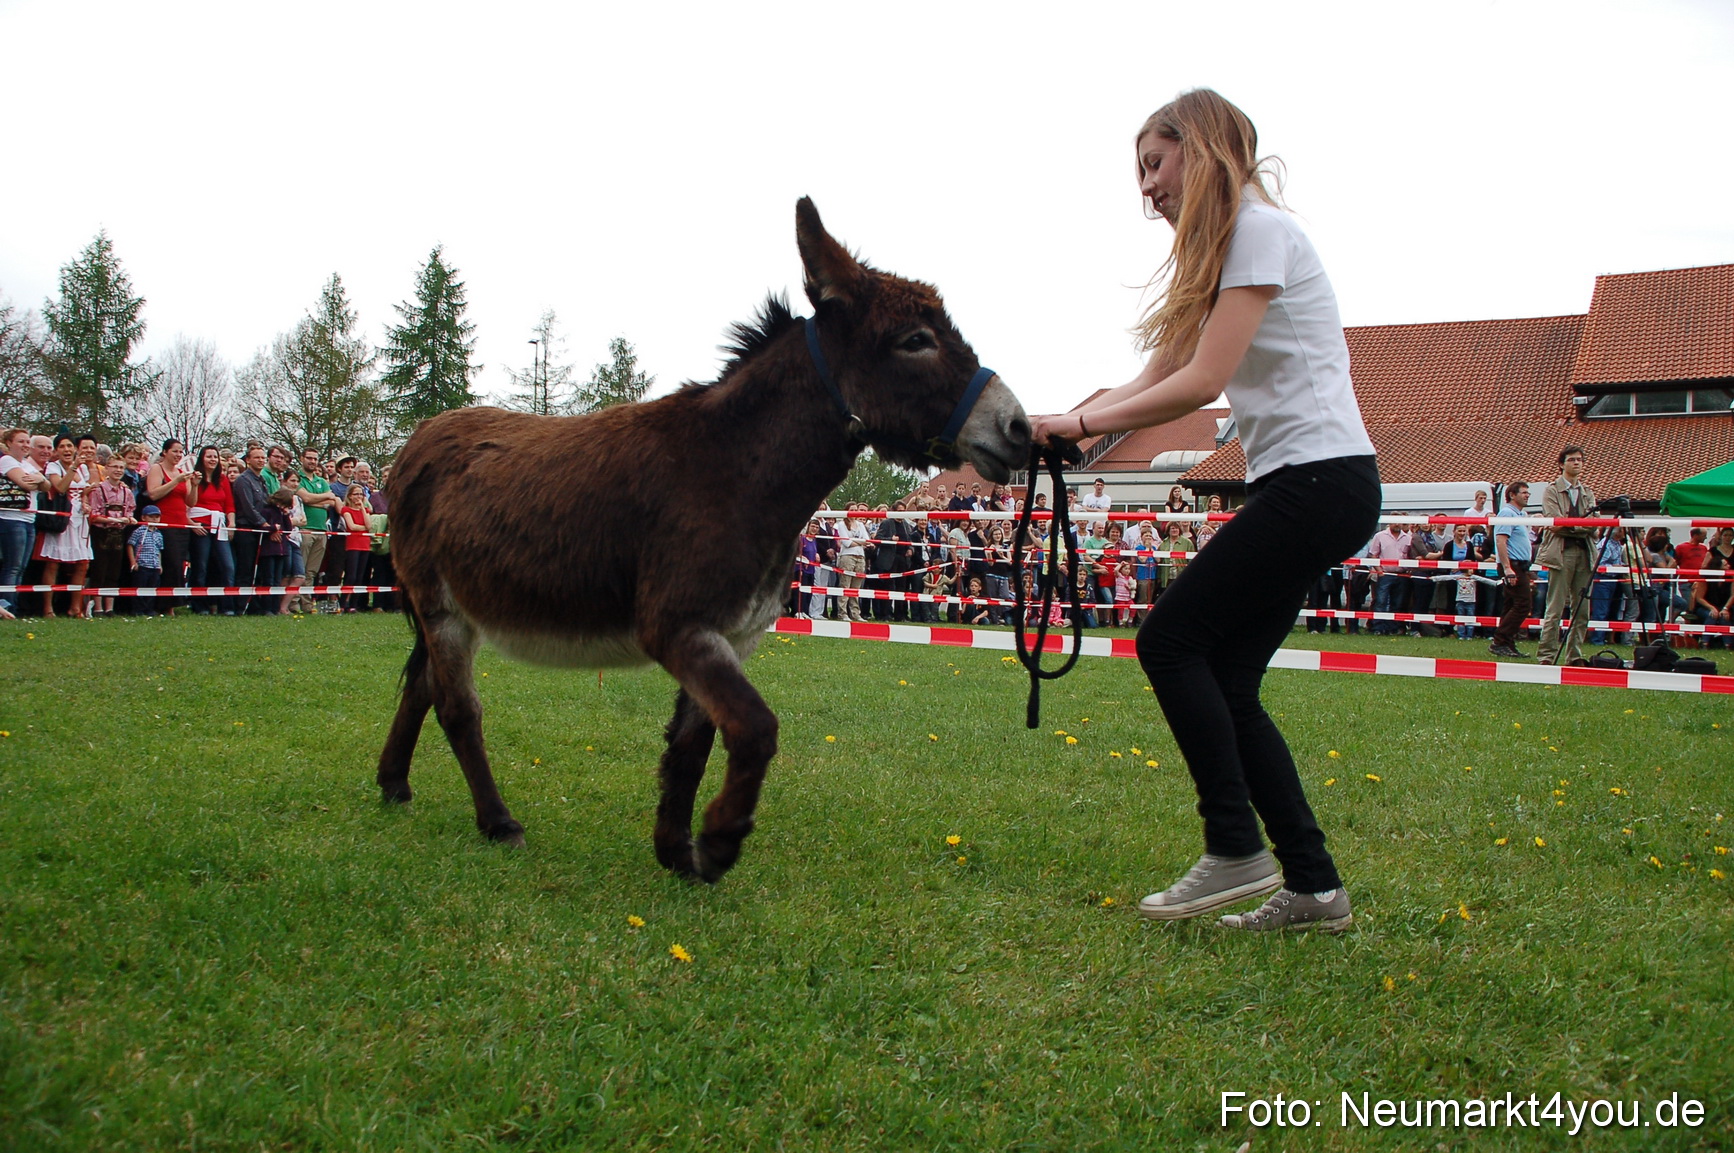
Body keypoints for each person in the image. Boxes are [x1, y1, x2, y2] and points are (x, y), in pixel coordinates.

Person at [1032, 90, 1378, 932]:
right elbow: (1152, 378)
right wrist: (1055, 425)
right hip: (1304, 485)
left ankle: (1234, 848)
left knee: (1169, 638)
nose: (1146, 188)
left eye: (1155, 163)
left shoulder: (1259, 231)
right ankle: (1314, 886)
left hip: (1319, 480)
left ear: (1204, 148)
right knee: (1227, 678)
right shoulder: (1230, 250)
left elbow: (1201, 384)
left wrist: (1079, 424)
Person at [1536, 447, 1597, 665]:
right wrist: (1582, 526)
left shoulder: (1588, 491)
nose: (1576, 463)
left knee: (1582, 610)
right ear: (1561, 464)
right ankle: (1547, 655)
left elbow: (1596, 524)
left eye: (1580, 460)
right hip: (1561, 554)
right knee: (1555, 608)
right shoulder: (1551, 490)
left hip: (1585, 553)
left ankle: (1574, 656)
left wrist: (1574, 526)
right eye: (1572, 460)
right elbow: (1554, 523)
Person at [38, 434, 97, 618]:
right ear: (56, 450)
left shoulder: (84, 470)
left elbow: (83, 492)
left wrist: (86, 500)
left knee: (82, 565)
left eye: (70, 446)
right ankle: (48, 608)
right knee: (53, 563)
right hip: (61, 518)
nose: (67, 450)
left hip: (80, 519)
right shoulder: (53, 467)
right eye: (62, 446)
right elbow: (61, 488)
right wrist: (72, 467)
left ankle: (75, 607)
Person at [1, 428, 51, 620]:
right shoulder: (6, 461)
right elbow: (26, 484)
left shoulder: (26, 464)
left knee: (21, 567)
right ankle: (7, 607)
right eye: (20, 441)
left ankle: (12, 606)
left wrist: (40, 480)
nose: (25, 445)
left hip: (29, 519)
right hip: (11, 519)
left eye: (27, 441)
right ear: (9, 443)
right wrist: (39, 480)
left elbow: (46, 487)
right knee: (12, 566)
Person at [187, 445, 236, 614]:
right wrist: (192, 524)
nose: (213, 459)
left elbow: (229, 504)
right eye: (209, 456)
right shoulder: (195, 478)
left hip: (220, 524)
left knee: (227, 566)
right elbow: (189, 503)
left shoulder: (222, 479)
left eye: (215, 456)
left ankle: (226, 606)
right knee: (201, 566)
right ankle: (199, 605)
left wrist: (232, 524)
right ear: (202, 458)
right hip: (201, 525)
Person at [1488, 481, 1535, 657]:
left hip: (1519, 565)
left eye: (1527, 493)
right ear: (1512, 495)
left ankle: (1506, 643)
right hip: (1512, 565)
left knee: (1510, 606)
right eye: (1523, 492)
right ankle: (1500, 640)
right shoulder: (1507, 513)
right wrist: (1507, 568)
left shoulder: (1521, 514)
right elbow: (1501, 540)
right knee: (1523, 604)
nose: (1527, 495)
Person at [230, 446, 270, 614]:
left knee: (259, 570)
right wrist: (263, 523)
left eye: (263, 457)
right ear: (248, 460)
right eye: (257, 457)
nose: (261, 460)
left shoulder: (261, 481)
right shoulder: (243, 480)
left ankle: (255, 605)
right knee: (245, 569)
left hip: (261, 531)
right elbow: (247, 507)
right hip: (247, 528)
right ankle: (240, 605)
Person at [337, 483, 373, 611]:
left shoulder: (366, 510)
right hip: (352, 545)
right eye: (356, 494)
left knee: (360, 576)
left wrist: (363, 508)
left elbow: (369, 526)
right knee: (351, 576)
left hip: (365, 545)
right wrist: (363, 528)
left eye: (361, 494)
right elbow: (351, 526)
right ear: (350, 496)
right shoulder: (346, 510)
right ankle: (342, 603)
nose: (359, 497)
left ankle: (353, 605)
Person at [127, 506, 166, 615]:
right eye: (151, 516)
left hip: (154, 566)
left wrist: (160, 564)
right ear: (143, 518)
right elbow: (130, 545)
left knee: (152, 589)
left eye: (157, 517)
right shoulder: (139, 531)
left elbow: (159, 550)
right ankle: (138, 610)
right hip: (142, 565)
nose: (154, 519)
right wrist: (133, 562)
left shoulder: (159, 534)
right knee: (140, 588)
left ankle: (149, 609)